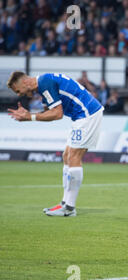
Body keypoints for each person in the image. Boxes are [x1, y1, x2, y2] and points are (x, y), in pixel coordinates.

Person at [7, 71, 104, 216]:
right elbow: (49, 112)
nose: (20, 94)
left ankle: (69, 208)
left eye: (19, 91)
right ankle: (65, 203)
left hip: (87, 114)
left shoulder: (45, 82)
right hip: (82, 116)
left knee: (73, 157)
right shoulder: (44, 85)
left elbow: (57, 114)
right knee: (67, 156)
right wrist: (28, 115)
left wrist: (30, 117)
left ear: (25, 82)